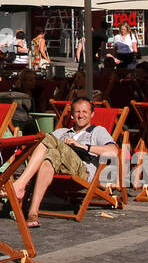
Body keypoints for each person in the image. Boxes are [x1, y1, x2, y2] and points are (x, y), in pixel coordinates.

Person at [12, 96, 119, 228]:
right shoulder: (62, 131)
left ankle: (20, 185)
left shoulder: (98, 131)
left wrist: (83, 146)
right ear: (72, 114)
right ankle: (33, 212)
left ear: (92, 114)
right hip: (59, 167)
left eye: (85, 112)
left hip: (82, 170)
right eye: (77, 112)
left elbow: (113, 151)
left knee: (46, 138)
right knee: (50, 155)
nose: (81, 115)